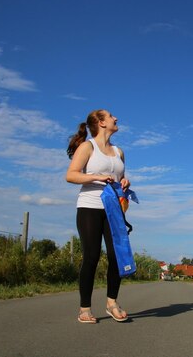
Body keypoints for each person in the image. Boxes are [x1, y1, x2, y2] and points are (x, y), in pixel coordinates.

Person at [66, 109, 131, 324]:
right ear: (101, 123)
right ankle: (85, 308)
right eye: (112, 116)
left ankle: (112, 303)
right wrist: (96, 177)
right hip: (89, 207)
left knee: (116, 256)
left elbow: (121, 176)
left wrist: (125, 181)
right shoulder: (88, 147)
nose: (116, 118)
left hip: (113, 209)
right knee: (92, 256)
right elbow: (71, 175)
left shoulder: (119, 151)